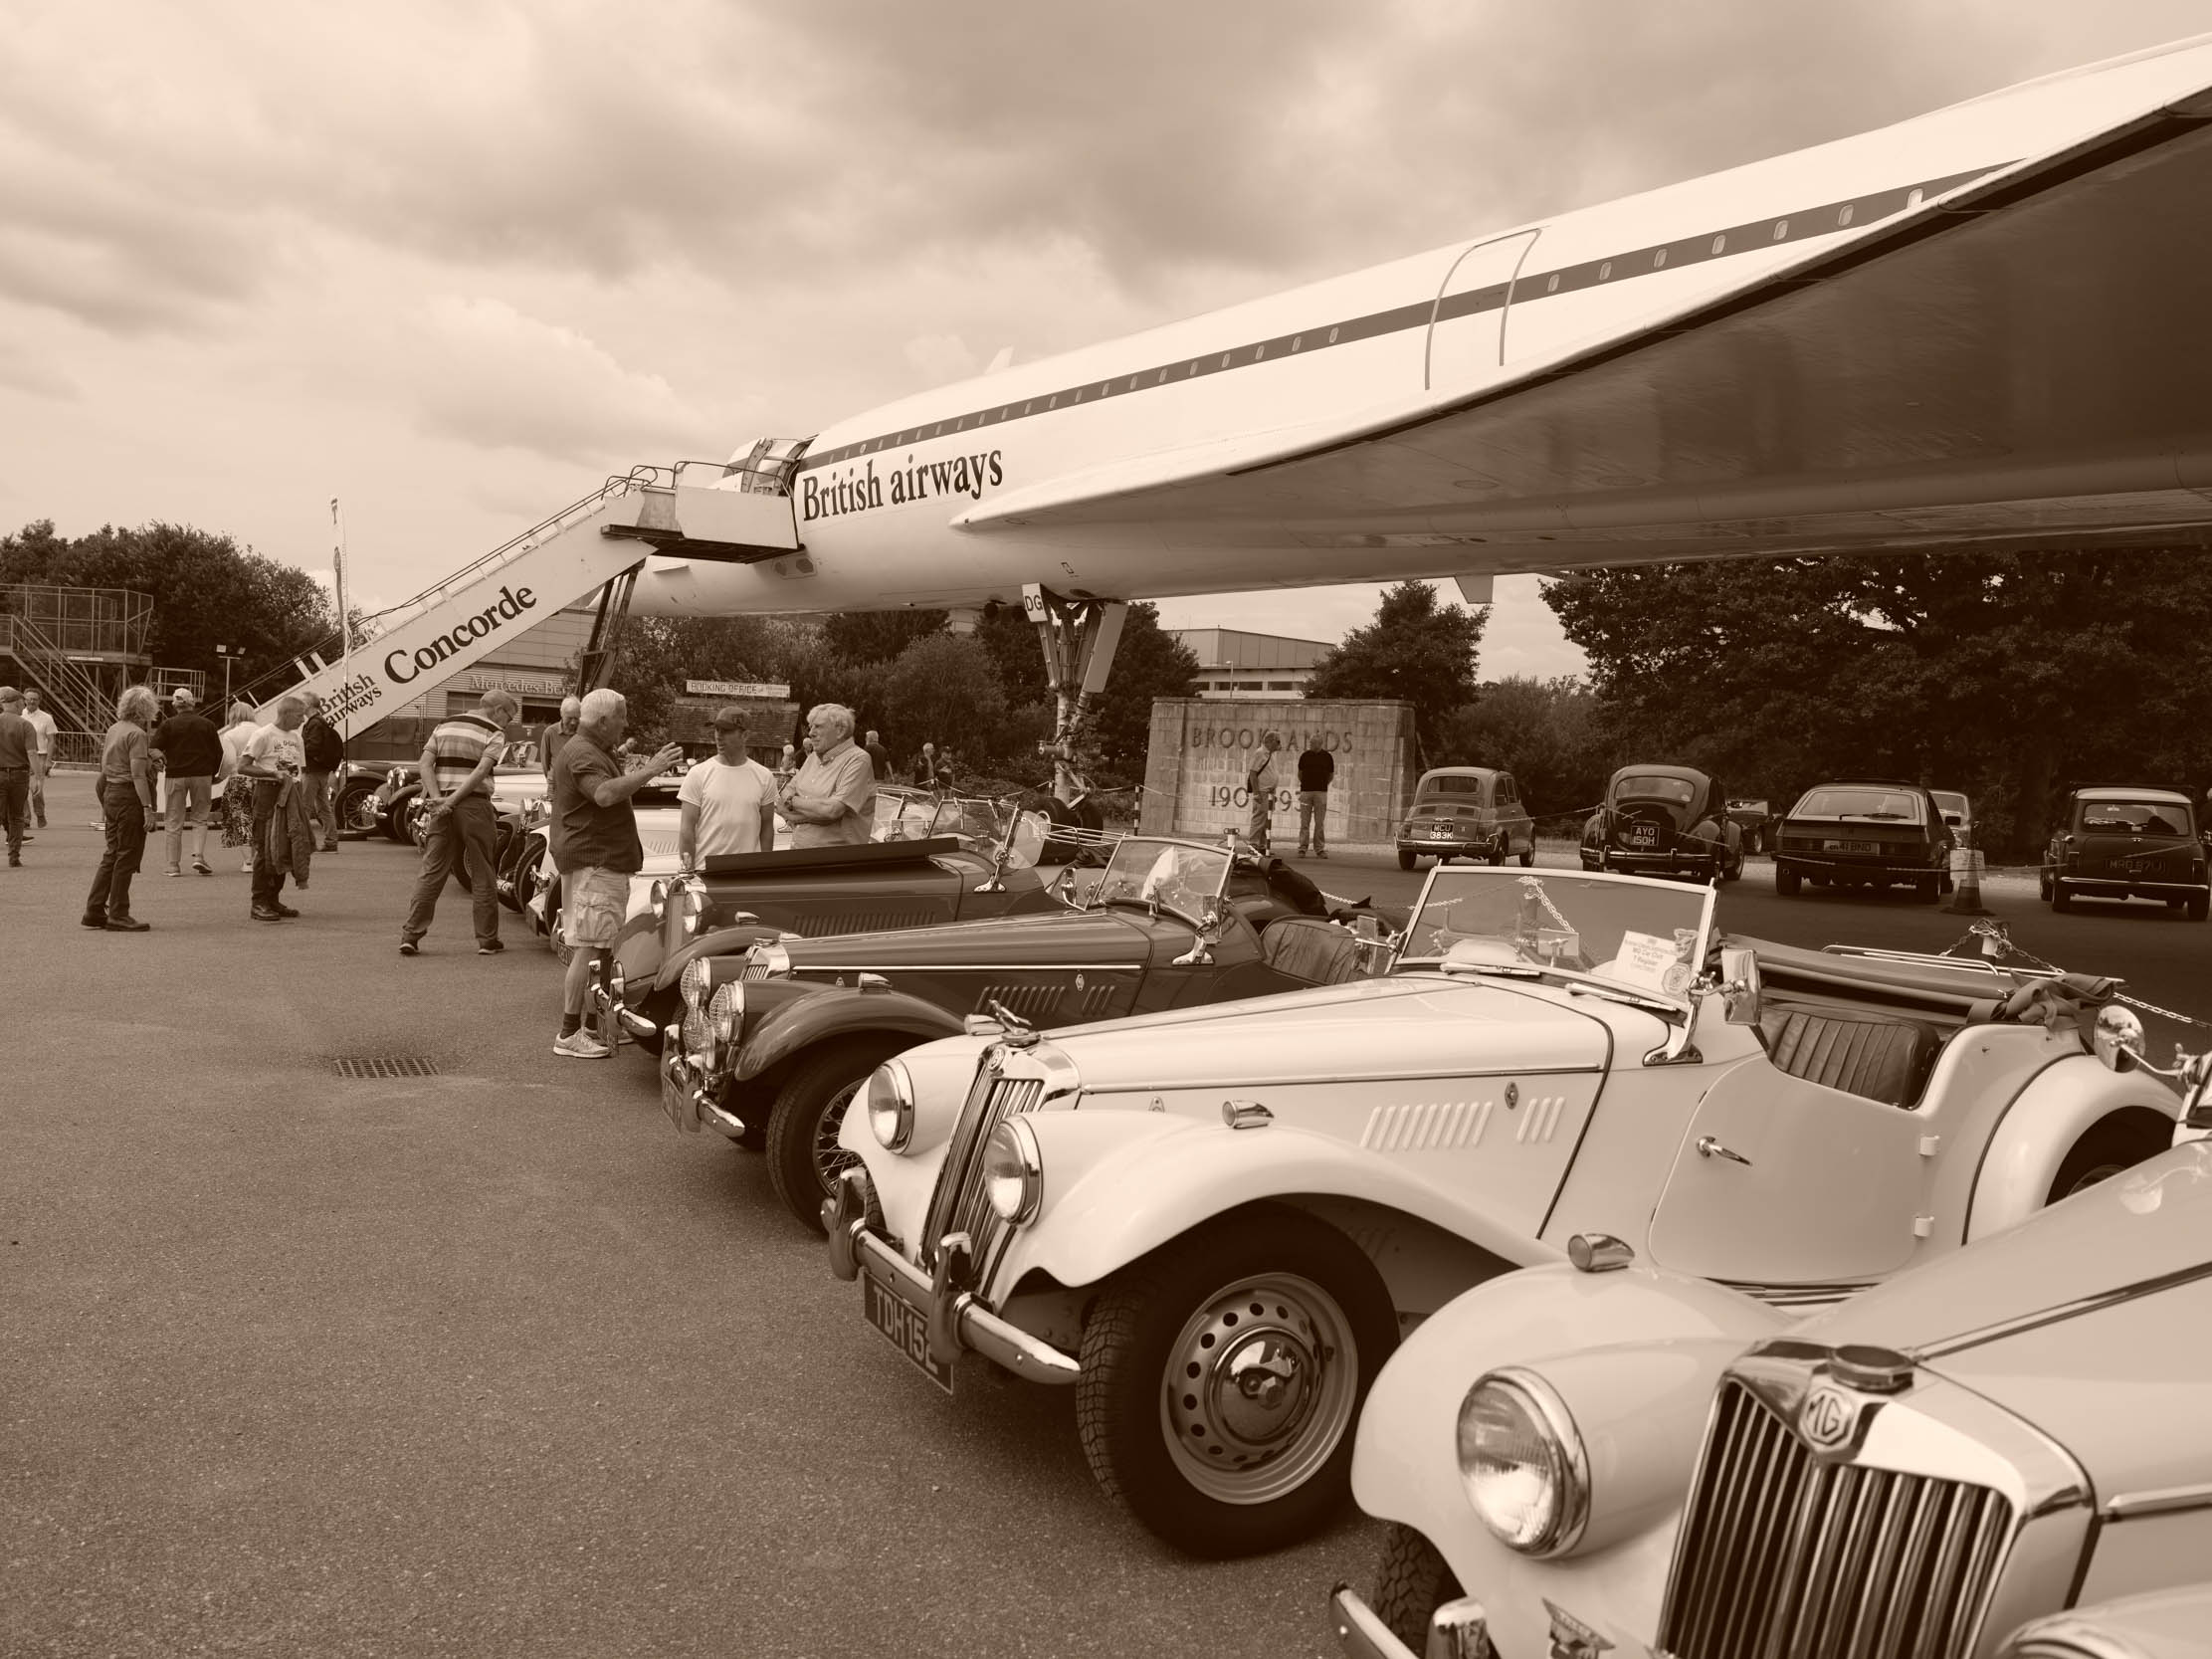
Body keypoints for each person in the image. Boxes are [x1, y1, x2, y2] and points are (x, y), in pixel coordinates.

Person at [548, 688, 684, 1057]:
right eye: (621, 717)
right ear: (604, 721)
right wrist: (651, 769)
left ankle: (592, 1028)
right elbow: (604, 795)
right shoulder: (583, 752)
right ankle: (569, 1033)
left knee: (598, 948)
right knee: (589, 948)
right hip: (596, 863)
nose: (625, 724)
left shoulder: (589, 749)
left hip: (597, 862)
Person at [398, 690, 518, 954]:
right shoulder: (494, 732)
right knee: (483, 871)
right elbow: (481, 771)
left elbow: (424, 763)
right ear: (498, 710)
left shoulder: (444, 724)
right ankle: (487, 940)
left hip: (441, 806)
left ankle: (411, 935)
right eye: (509, 717)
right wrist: (453, 800)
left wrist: (439, 799)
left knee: (432, 871)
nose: (508, 723)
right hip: (474, 806)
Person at [81, 684, 160, 931]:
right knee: (126, 855)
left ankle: (95, 909)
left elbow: (107, 766)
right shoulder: (138, 734)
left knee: (112, 854)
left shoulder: (114, 729)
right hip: (128, 796)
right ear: (146, 708)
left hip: (112, 793)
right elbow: (137, 775)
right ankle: (118, 913)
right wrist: (148, 808)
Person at [239, 695, 312, 923]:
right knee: (265, 848)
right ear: (286, 714)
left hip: (291, 795)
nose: (303, 720)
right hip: (267, 793)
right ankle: (259, 902)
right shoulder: (263, 734)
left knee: (284, 847)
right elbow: (243, 767)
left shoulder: (296, 737)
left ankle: (273, 899)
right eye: (299, 715)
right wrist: (272, 773)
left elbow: (300, 771)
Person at [677, 707, 778, 864]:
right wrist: (689, 871)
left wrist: (764, 868)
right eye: (717, 729)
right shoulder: (698, 774)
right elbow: (686, 831)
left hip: (748, 871)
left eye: (726, 731)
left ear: (745, 735)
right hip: (706, 871)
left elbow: (767, 829)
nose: (718, 736)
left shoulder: (764, 776)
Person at [148, 688, 224, 877]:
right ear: (192, 703)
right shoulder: (207, 724)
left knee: (174, 820)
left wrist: (161, 759)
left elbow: (153, 748)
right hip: (202, 776)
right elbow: (218, 752)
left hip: (176, 775)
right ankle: (198, 856)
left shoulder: (168, 724)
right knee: (200, 818)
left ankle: (173, 865)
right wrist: (212, 774)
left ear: (175, 705)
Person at [778, 703, 875, 848]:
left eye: (818, 726)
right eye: (811, 727)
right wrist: (816, 816)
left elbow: (831, 810)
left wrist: (791, 803)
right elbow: (782, 802)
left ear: (840, 731)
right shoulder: (812, 758)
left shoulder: (858, 760)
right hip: (798, 852)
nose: (811, 733)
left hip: (835, 858)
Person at [218, 701, 263, 870]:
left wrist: (220, 778)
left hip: (239, 780)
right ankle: (260, 857)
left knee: (241, 818)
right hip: (261, 779)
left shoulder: (231, 735)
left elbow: (230, 761)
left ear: (233, 715)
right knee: (260, 818)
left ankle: (248, 861)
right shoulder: (263, 732)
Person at [300, 691, 344, 853]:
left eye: (302, 702)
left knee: (304, 808)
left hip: (312, 771)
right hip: (321, 770)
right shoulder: (320, 721)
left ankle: (304, 843)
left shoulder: (314, 724)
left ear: (308, 705)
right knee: (323, 808)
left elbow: (313, 747)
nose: (300, 705)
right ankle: (331, 842)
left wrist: (296, 749)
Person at [0, 687, 32, 867]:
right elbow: (32, 753)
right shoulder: (25, 725)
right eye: (22, 703)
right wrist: (39, 778)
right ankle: (14, 857)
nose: (24, 707)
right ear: (17, 703)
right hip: (20, 774)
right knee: (17, 816)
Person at [1296, 735, 1335, 860]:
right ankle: (1302, 848)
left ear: (1320, 743)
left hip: (1321, 792)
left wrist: (1322, 785)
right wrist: (1306, 785)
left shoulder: (1327, 757)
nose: (1311, 744)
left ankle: (1319, 849)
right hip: (1306, 792)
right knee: (1304, 822)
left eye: (1313, 743)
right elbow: (1300, 774)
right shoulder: (1304, 756)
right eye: (1310, 742)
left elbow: (1331, 775)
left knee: (1319, 823)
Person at [21, 687, 56, 829]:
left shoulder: (46, 718)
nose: (31, 701)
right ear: (24, 700)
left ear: (39, 700)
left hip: (39, 756)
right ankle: (25, 819)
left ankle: (40, 814)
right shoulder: (19, 715)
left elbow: (51, 740)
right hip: (21, 756)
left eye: (35, 699)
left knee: (36, 790)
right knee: (21, 790)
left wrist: (48, 760)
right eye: (29, 699)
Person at [1245, 728, 1283, 853]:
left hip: (1270, 792)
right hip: (1262, 791)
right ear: (1270, 741)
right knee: (1259, 819)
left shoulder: (1270, 754)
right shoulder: (1260, 753)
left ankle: (1261, 846)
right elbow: (1253, 773)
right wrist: (1256, 793)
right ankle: (1253, 845)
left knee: (1266, 821)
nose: (1279, 744)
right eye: (1278, 741)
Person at [537, 696, 581, 771]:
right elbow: (545, 763)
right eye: (569, 718)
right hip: (555, 778)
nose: (573, 722)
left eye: (576, 718)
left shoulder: (584, 733)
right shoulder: (550, 732)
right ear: (561, 714)